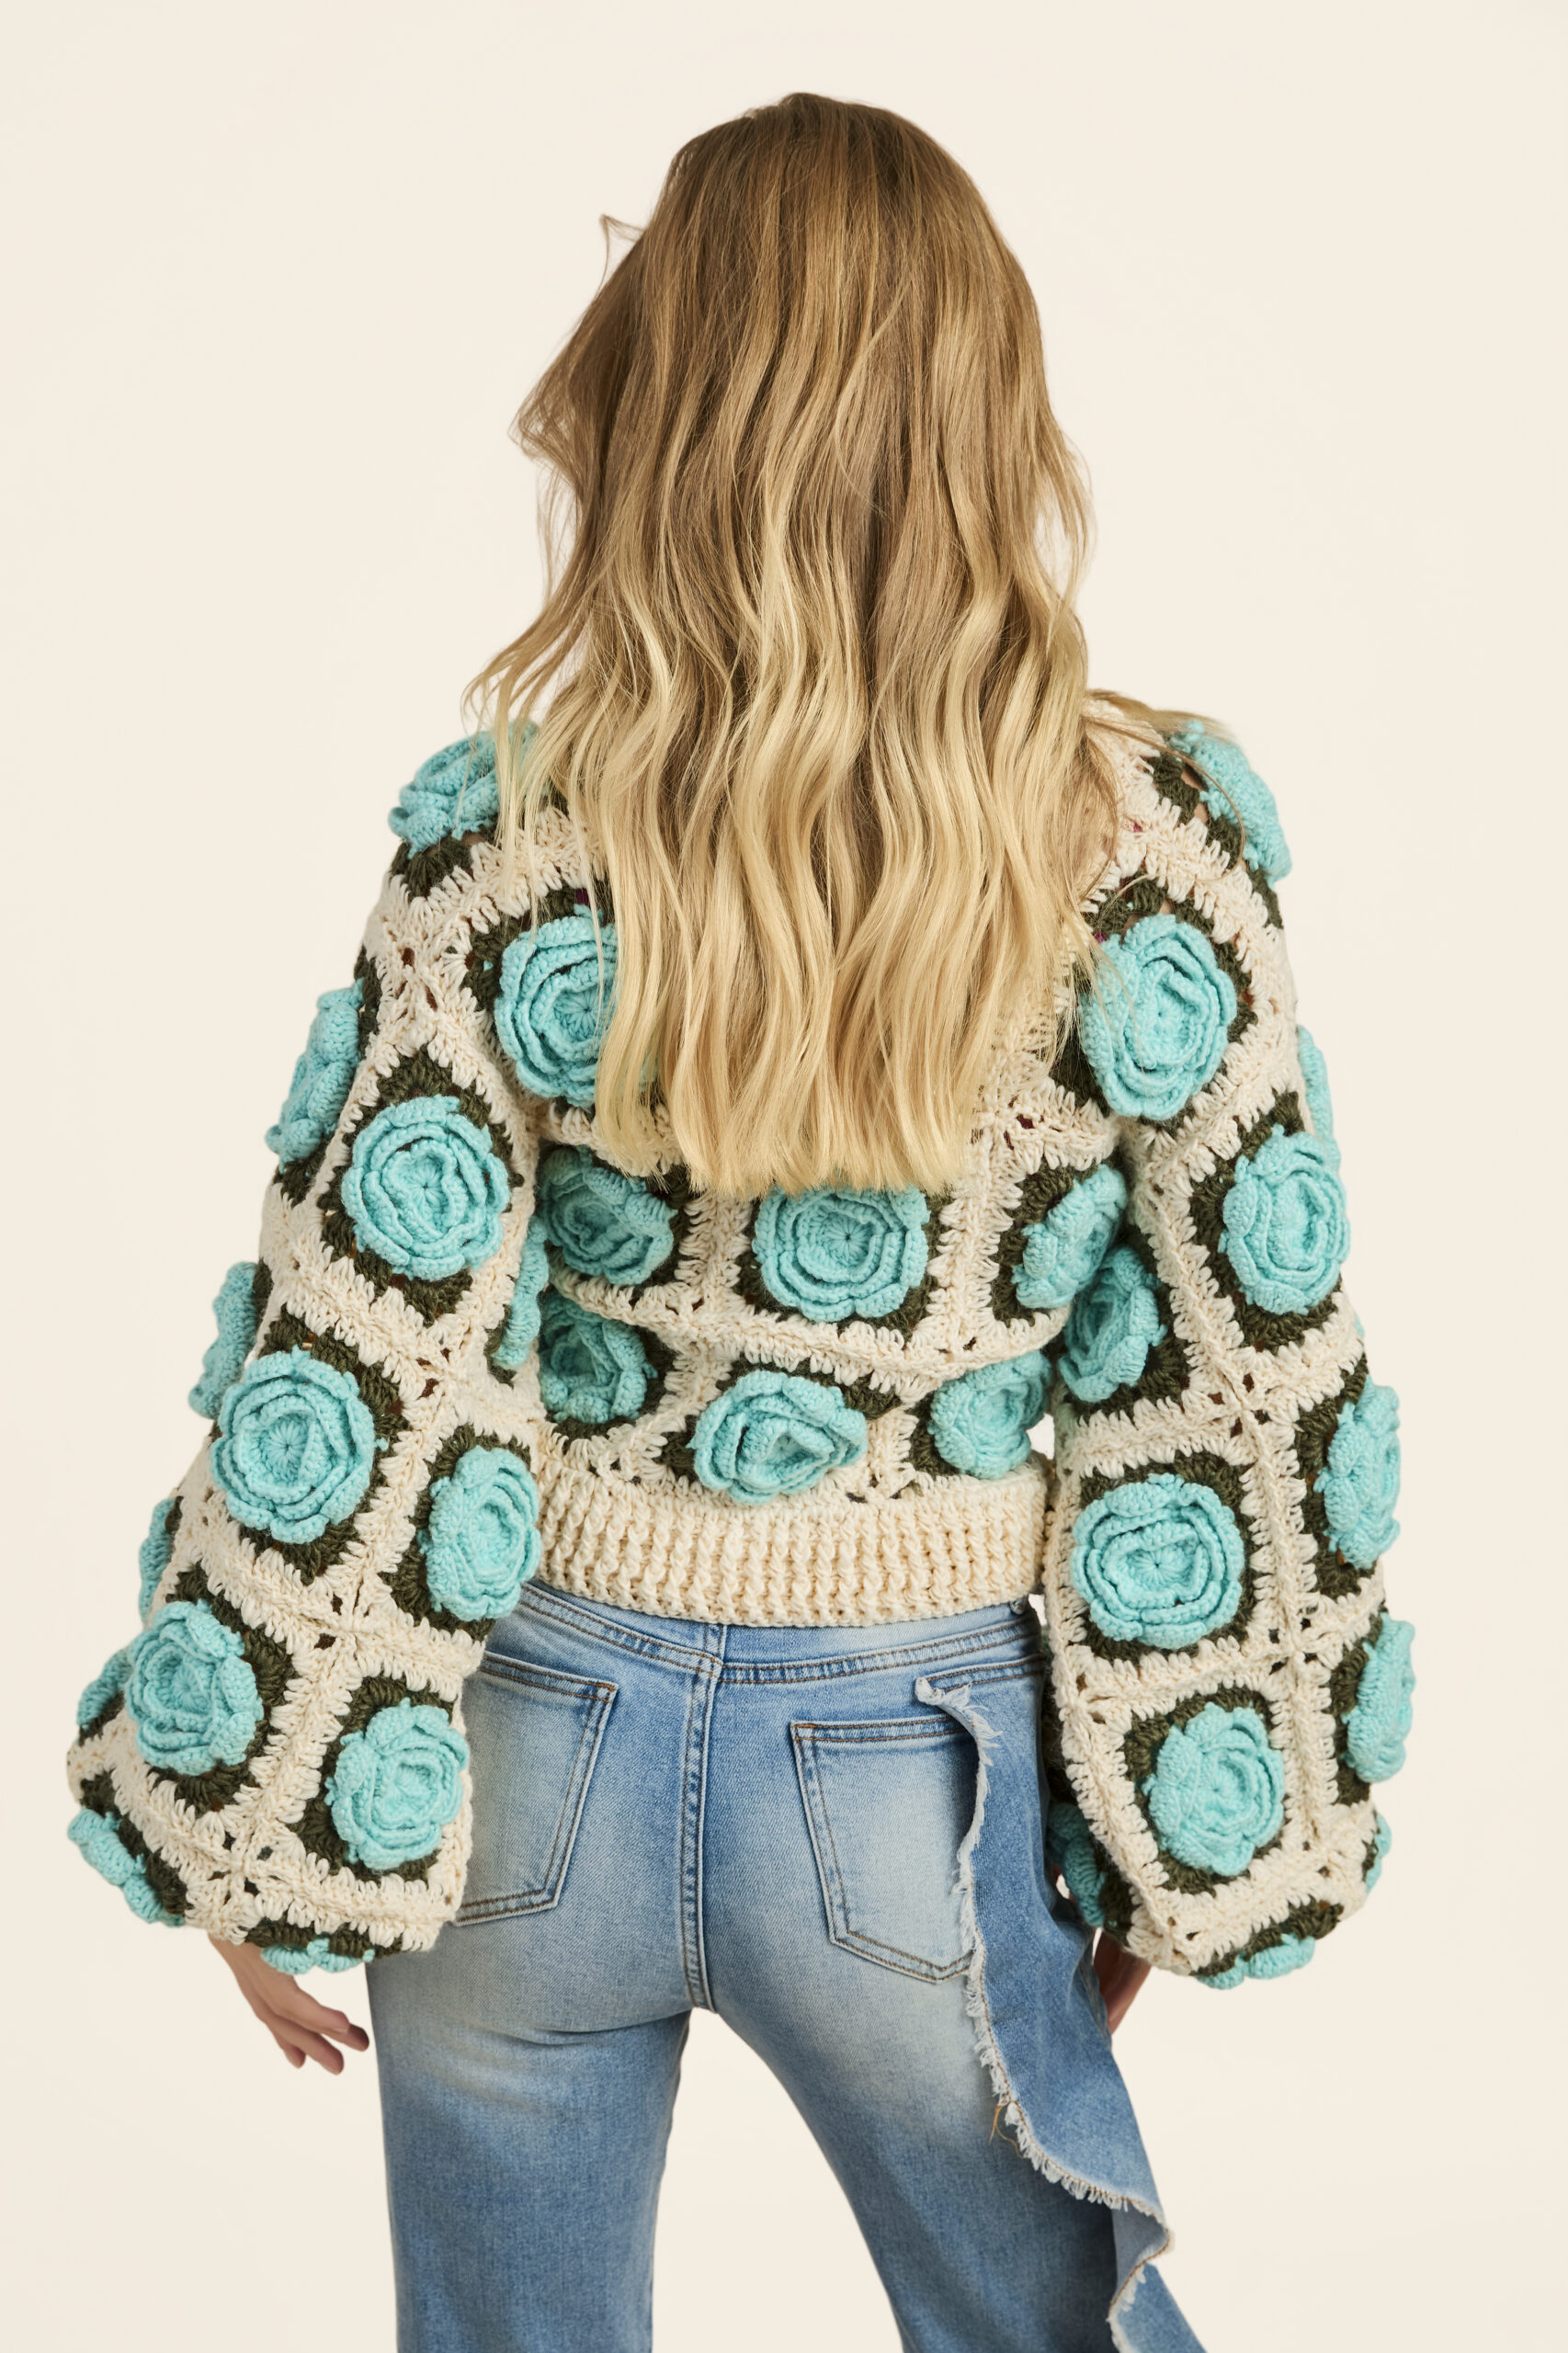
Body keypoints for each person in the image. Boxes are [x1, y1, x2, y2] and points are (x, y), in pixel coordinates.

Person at [65, 93, 1412, 2353]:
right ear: (986, 409)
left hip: (525, 1760)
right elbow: (1242, 1362)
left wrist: (237, 1805)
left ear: (654, 402)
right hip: (911, 1782)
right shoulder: (1144, 847)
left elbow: (362, 1337)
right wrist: (1192, 1834)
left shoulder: (508, 838)